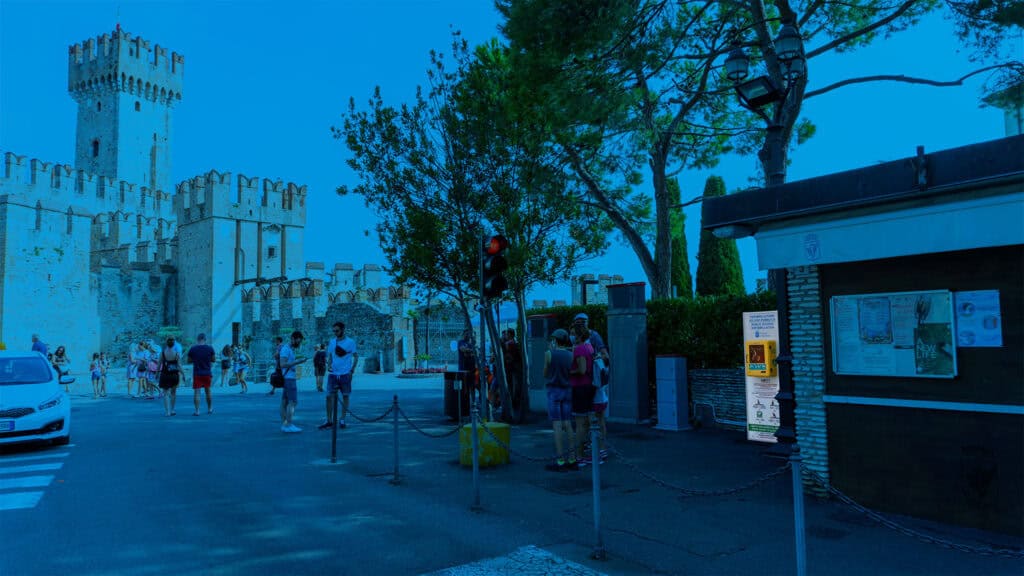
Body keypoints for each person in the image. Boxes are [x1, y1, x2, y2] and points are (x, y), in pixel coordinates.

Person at [542, 329, 576, 471]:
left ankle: (561, 459)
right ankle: (573, 458)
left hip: (554, 391)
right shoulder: (570, 354)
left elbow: (545, 373)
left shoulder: (549, 354)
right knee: (567, 424)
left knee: (557, 425)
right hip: (567, 390)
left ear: (555, 340)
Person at [319, 322, 358, 430]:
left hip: (345, 373)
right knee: (328, 396)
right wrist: (329, 365)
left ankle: (342, 419)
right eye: (334, 331)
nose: (335, 333)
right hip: (333, 374)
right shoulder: (332, 342)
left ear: (343, 330)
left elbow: (355, 356)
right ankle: (329, 420)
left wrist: (352, 371)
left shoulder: (350, 342)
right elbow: (331, 355)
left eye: (337, 330)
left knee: (345, 396)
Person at [569, 323, 596, 467]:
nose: (571, 336)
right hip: (589, 386)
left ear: (579, 335)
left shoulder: (579, 349)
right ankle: (585, 452)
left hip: (579, 387)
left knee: (580, 424)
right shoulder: (589, 347)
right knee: (586, 422)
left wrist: (568, 371)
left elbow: (582, 370)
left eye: (573, 333)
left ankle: (579, 455)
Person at [279, 330, 307, 433]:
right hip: (289, 379)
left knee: (284, 402)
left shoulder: (288, 349)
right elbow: (282, 364)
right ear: (293, 339)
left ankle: (285, 424)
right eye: (298, 342)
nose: (298, 344)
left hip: (288, 378)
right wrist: (298, 361)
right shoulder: (286, 349)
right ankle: (288, 424)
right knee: (293, 402)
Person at [186, 333, 215, 416]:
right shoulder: (210, 348)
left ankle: (197, 411)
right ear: (205, 339)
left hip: (197, 373)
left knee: (197, 392)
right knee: (208, 391)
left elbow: (189, 361)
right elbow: (213, 359)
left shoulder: (193, 349)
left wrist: (196, 359)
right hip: (207, 372)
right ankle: (209, 408)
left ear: (197, 339)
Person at [158, 337, 182, 416]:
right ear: (174, 343)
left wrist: (156, 374)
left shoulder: (162, 353)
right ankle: (172, 410)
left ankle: (167, 411)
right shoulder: (177, 353)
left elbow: (159, 365)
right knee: (173, 393)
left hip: (165, 374)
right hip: (174, 375)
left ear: (166, 343)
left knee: (165, 393)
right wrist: (183, 374)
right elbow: (179, 365)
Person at [457, 329, 476, 394]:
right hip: (463, 367)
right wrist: (471, 351)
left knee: (472, 385)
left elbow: (474, 353)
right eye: (466, 334)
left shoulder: (471, 344)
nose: (467, 335)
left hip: (471, 367)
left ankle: (473, 402)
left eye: (468, 334)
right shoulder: (460, 342)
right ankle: (463, 401)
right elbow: (463, 350)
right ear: (463, 335)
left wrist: (469, 351)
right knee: (464, 386)